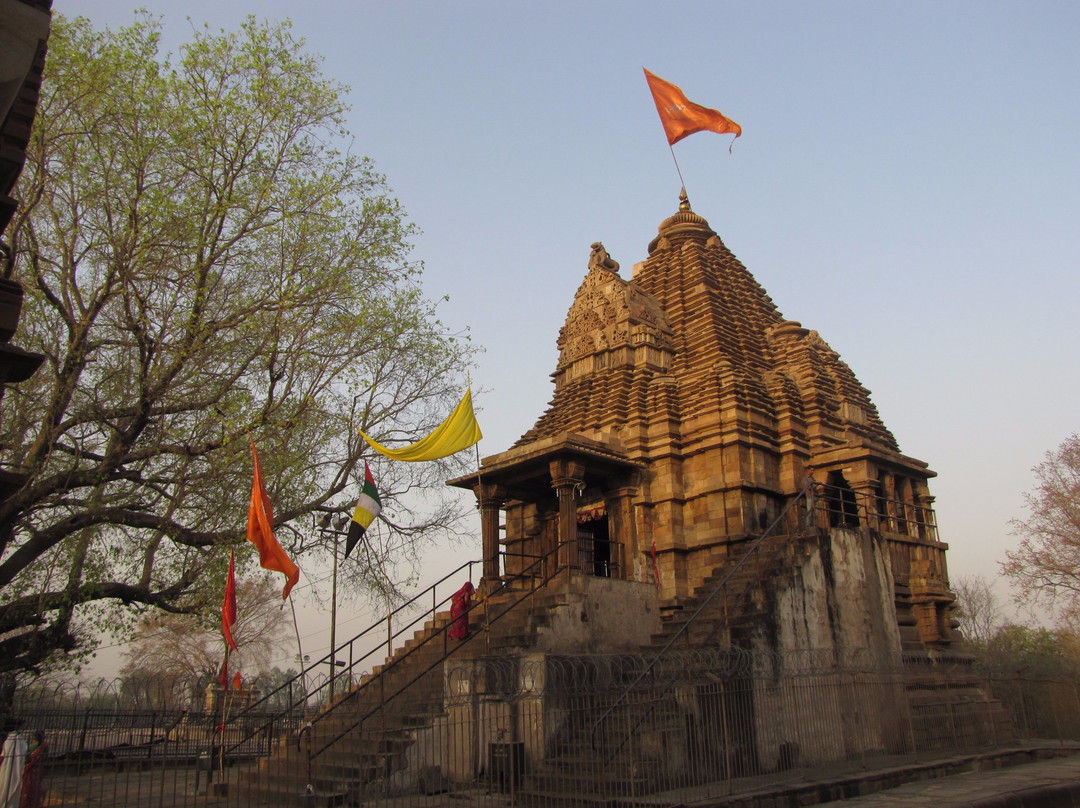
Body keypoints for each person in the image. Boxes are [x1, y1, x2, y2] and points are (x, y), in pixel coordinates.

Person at [0, 728, 26, 808]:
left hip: (5, 769)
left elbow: (2, 756)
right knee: (14, 791)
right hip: (17, 771)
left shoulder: (8, 742)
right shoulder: (22, 743)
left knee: (4, 788)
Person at [18, 732, 44, 808]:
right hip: (37, 773)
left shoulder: (35, 748)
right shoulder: (42, 748)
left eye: (34, 740)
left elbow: (29, 760)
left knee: (27, 790)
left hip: (30, 772)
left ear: (36, 741)